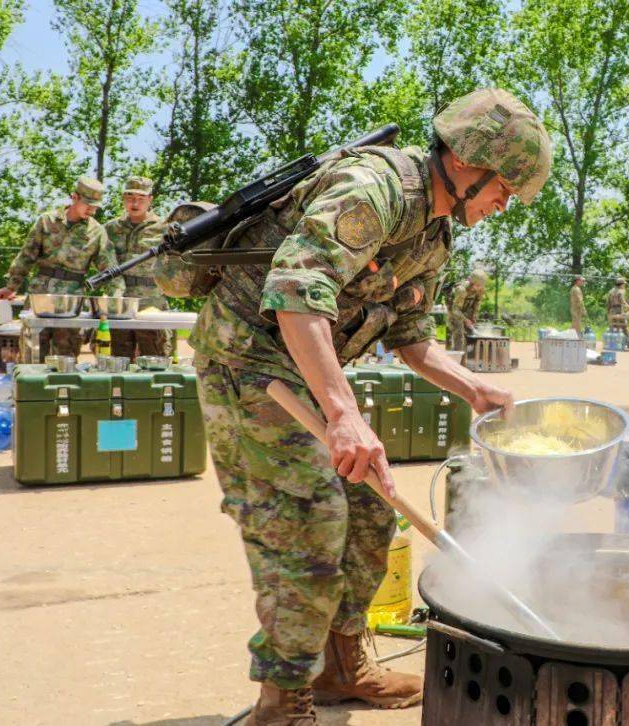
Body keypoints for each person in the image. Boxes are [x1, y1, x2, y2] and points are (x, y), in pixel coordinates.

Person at [185, 88, 551, 723]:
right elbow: (297, 294)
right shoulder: (373, 189)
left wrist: (474, 388)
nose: (503, 205)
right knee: (304, 522)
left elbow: (411, 339)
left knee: (370, 507)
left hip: (305, 369)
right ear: (468, 162)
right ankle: (282, 699)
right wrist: (344, 415)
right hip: (249, 363)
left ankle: (340, 667)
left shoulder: (436, 232)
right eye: (505, 190)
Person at [0, 176, 124, 358]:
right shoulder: (47, 221)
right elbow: (27, 255)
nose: (92, 210)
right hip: (40, 295)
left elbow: (110, 269)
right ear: (74, 197)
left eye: (95, 206)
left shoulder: (96, 232)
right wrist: (11, 286)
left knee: (66, 356)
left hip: (71, 300)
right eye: (88, 204)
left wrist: (116, 299)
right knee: (31, 352)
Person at [105, 176, 171, 359]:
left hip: (152, 302)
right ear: (123, 198)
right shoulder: (110, 229)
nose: (135, 203)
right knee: (119, 358)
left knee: (155, 357)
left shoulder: (164, 228)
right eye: (130, 197)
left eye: (141, 199)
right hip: (121, 302)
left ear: (150, 200)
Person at [447, 269, 489, 350]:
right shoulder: (461, 289)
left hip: (466, 311)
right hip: (454, 313)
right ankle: (456, 357)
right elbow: (455, 310)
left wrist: (474, 315)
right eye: (479, 285)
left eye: (482, 285)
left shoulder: (480, 289)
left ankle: (467, 359)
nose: (481, 287)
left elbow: (477, 303)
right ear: (474, 283)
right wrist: (465, 320)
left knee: (470, 335)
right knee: (459, 336)